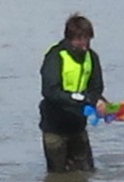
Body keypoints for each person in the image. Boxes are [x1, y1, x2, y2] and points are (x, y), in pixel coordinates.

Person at [40, 14, 108, 173]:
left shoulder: (92, 57)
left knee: (87, 173)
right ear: (71, 39)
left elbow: (95, 89)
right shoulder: (55, 56)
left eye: (88, 39)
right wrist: (82, 98)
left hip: (78, 126)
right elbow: (49, 91)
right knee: (57, 178)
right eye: (81, 39)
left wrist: (100, 103)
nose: (85, 45)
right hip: (54, 127)